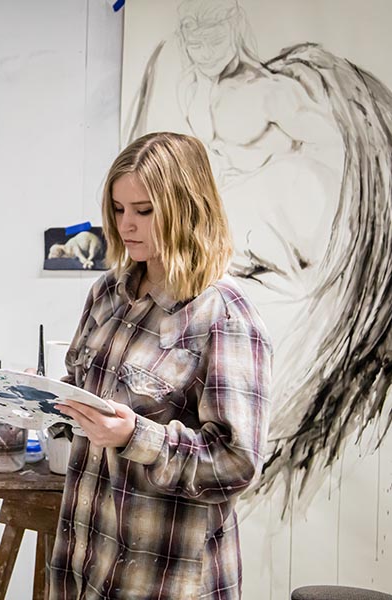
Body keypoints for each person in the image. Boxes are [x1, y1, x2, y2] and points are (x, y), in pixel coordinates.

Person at [123, 0, 392, 506]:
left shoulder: (274, 92)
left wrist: (270, 185)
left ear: (235, 24)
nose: (200, 41)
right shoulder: (191, 90)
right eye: (191, 30)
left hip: (269, 224)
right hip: (232, 240)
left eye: (211, 26)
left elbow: (330, 157)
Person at [50, 132, 272, 599]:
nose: (126, 224)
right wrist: (43, 401)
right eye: (118, 208)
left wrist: (137, 438)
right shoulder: (106, 294)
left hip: (164, 580)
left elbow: (236, 463)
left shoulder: (224, 316)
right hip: (85, 565)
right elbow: (83, 393)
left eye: (144, 211)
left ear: (187, 208)